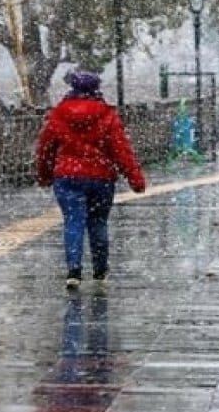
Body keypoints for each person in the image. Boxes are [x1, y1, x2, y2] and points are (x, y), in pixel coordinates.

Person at [36, 69, 146, 288]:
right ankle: (100, 270)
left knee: (72, 221)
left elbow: (45, 149)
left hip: (67, 176)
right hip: (100, 177)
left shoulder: (58, 114)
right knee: (98, 223)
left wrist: (44, 175)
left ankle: (74, 271)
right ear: (96, 89)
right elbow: (121, 150)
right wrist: (135, 178)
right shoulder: (106, 115)